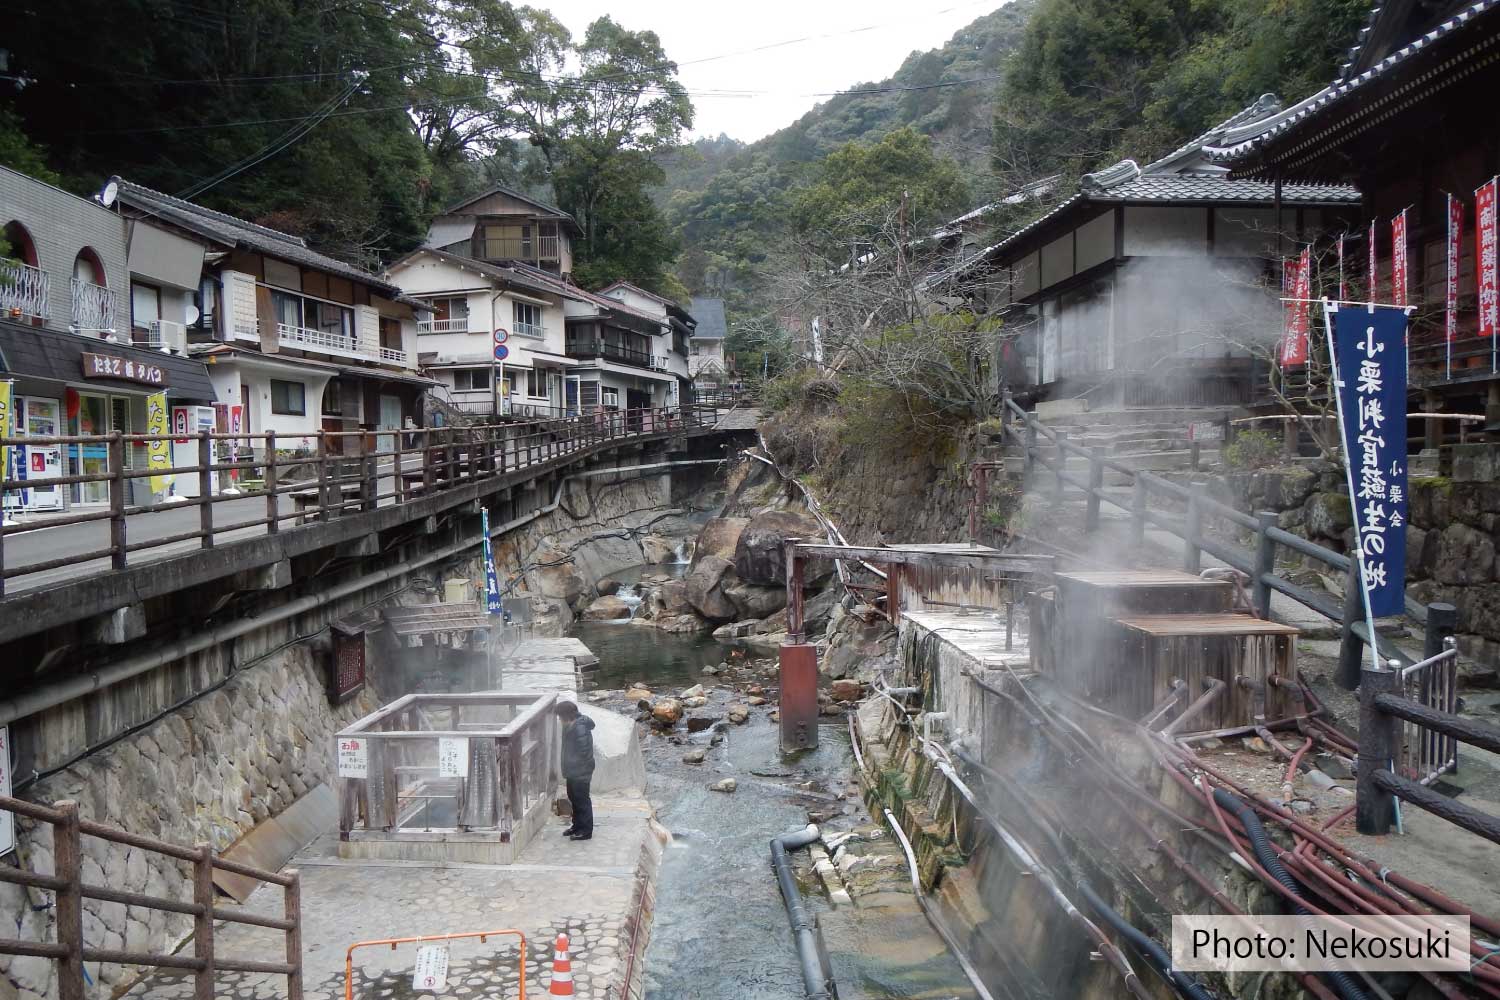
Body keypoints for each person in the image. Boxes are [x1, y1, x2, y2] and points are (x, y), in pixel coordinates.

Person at [555, 700, 595, 840]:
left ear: (566, 715)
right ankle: (577, 825)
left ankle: (586, 831)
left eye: (560, 717)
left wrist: (574, 765)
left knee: (582, 800)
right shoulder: (571, 725)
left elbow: (583, 752)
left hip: (581, 771)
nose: (559, 720)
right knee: (573, 797)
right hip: (573, 771)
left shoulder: (579, 727)